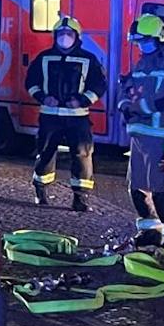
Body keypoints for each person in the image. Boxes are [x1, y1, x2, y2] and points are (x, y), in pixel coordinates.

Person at [118, 13, 164, 246]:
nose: (142, 45)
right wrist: (125, 106)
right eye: (139, 41)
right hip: (139, 137)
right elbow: (127, 89)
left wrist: (138, 108)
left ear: (160, 37)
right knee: (137, 189)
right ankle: (149, 232)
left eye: (146, 40)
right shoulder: (142, 63)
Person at [24, 17, 105, 211]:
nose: (64, 37)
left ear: (77, 36)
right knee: (45, 153)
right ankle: (41, 192)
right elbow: (31, 82)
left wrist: (82, 100)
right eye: (61, 33)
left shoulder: (89, 59)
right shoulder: (44, 58)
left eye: (69, 34)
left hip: (78, 117)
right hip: (49, 116)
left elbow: (99, 85)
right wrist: (43, 97)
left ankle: (80, 198)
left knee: (82, 155)